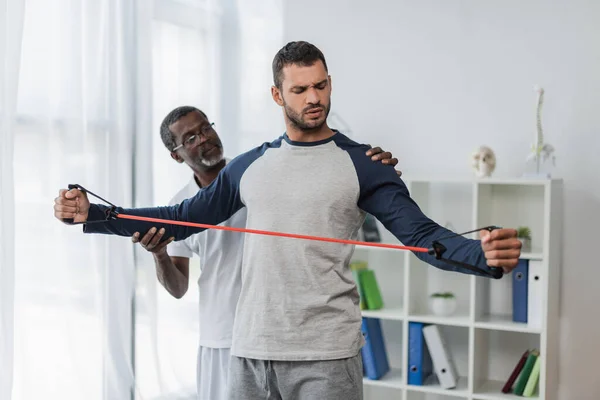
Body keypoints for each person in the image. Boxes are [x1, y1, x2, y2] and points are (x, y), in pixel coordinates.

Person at [54, 41, 522, 400]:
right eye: (300, 89)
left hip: (326, 355)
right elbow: (181, 219)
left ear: (330, 83)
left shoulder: (366, 163)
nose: (313, 98)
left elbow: (422, 237)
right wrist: (94, 214)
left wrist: (480, 254)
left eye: (321, 86)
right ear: (278, 94)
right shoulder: (248, 166)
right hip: (249, 351)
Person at [130, 105, 402, 400]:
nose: (204, 138)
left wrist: (370, 167)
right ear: (176, 155)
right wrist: (159, 254)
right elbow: (178, 287)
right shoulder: (180, 206)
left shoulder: (259, 174)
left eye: (206, 127)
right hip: (221, 340)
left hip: (284, 333)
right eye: (191, 138)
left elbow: (326, 181)